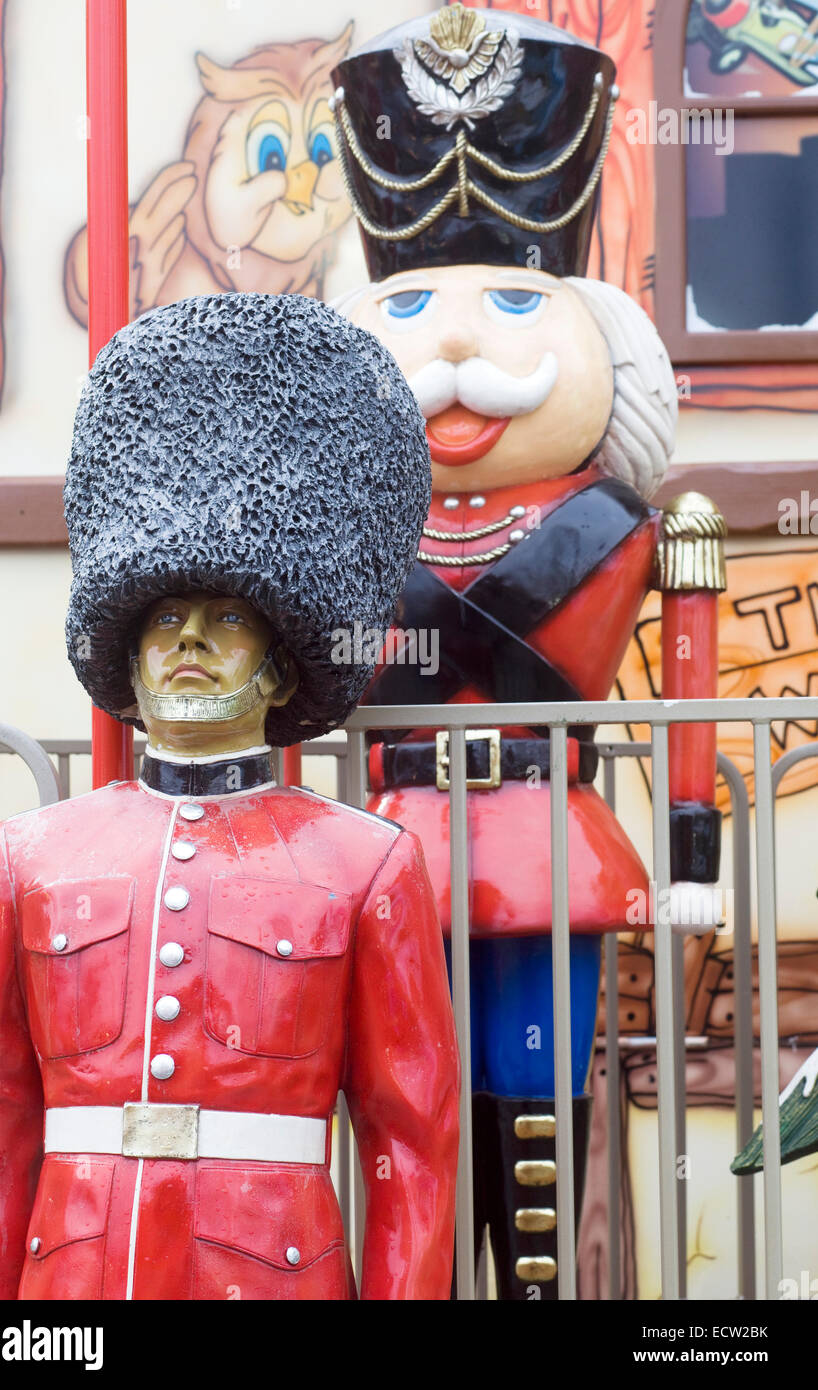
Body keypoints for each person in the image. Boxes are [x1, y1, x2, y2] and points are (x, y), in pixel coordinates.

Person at [330, 5, 728, 1299]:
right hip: (386, 843)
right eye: (410, 307)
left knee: (535, 1079)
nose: (455, 348)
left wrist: (690, 855)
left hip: (541, 834)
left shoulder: (610, 524)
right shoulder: (349, 528)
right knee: (403, 1086)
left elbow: (689, 673)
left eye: (511, 300)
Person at [0, 292, 459, 1301]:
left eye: (226, 616)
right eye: (165, 614)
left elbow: (412, 1142)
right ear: (127, 651)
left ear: (278, 669)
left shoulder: (366, 864)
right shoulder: (27, 857)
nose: (186, 639)